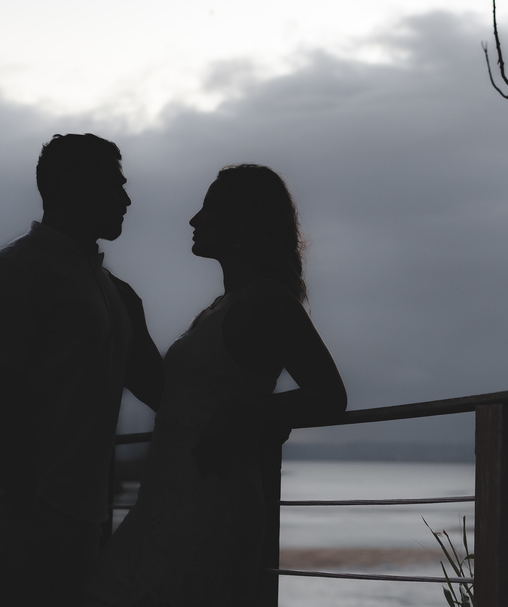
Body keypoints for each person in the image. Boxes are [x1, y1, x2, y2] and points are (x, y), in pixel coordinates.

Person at [84, 164, 347, 607]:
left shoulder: (267, 300)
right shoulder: (220, 307)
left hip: (211, 503)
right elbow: (180, 399)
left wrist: (245, 412)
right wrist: (133, 321)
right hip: (165, 500)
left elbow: (330, 396)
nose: (194, 219)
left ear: (242, 222)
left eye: (208, 208)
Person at [0, 134, 164, 607]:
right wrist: (28, 507)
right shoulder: (14, 271)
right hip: (13, 512)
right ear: (70, 184)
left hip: (76, 514)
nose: (126, 200)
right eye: (114, 184)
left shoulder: (114, 292)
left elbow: (159, 389)